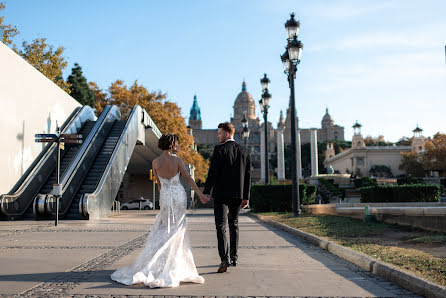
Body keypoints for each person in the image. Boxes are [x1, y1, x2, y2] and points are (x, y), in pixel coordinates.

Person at [111, 134, 210, 288]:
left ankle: (159, 262)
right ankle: (174, 264)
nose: (178, 146)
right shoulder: (177, 160)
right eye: (177, 143)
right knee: (178, 229)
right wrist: (201, 195)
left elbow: (159, 184)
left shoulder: (155, 162)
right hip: (178, 195)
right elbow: (189, 179)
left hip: (165, 196)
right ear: (171, 144)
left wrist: (164, 197)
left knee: (166, 227)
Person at [203, 122, 251, 273]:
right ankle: (234, 257)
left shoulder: (219, 149)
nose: (218, 136)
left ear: (228, 134)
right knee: (234, 224)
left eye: (220, 133)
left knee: (221, 225)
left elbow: (213, 172)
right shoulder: (244, 151)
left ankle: (224, 259)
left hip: (221, 194)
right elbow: (248, 176)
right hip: (238, 195)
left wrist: (206, 191)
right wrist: (246, 196)